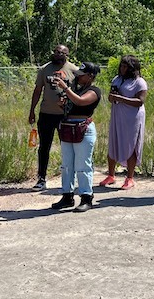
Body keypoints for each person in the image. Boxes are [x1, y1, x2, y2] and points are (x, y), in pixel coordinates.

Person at [50, 62, 102, 212]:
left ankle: (87, 197)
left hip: (83, 129)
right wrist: (62, 103)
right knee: (67, 165)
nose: (78, 78)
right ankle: (67, 196)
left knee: (82, 165)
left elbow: (81, 101)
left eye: (81, 75)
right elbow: (70, 105)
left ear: (90, 76)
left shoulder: (94, 91)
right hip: (68, 127)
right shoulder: (76, 90)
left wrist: (65, 88)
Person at [28, 44, 78, 191]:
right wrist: (32, 111)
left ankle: (69, 177)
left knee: (68, 148)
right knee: (44, 147)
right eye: (55, 52)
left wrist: (68, 101)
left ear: (66, 55)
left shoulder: (74, 70)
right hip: (46, 114)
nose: (57, 54)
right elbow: (37, 91)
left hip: (65, 116)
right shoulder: (45, 69)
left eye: (60, 52)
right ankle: (41, 179)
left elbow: (78, 93)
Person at [100, 55, 148, 190]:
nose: (122, 68)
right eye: (121, 65)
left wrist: (121, 98)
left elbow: (140, 101)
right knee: (113, 142)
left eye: (126, 66)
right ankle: (111, 175)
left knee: (130, 144)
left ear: (132, 68)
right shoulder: (117, 79)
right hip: (117, 115)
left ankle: (130, 178)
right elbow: (111, 97)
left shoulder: (139, 82)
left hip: (132, 118)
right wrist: (112, 97)